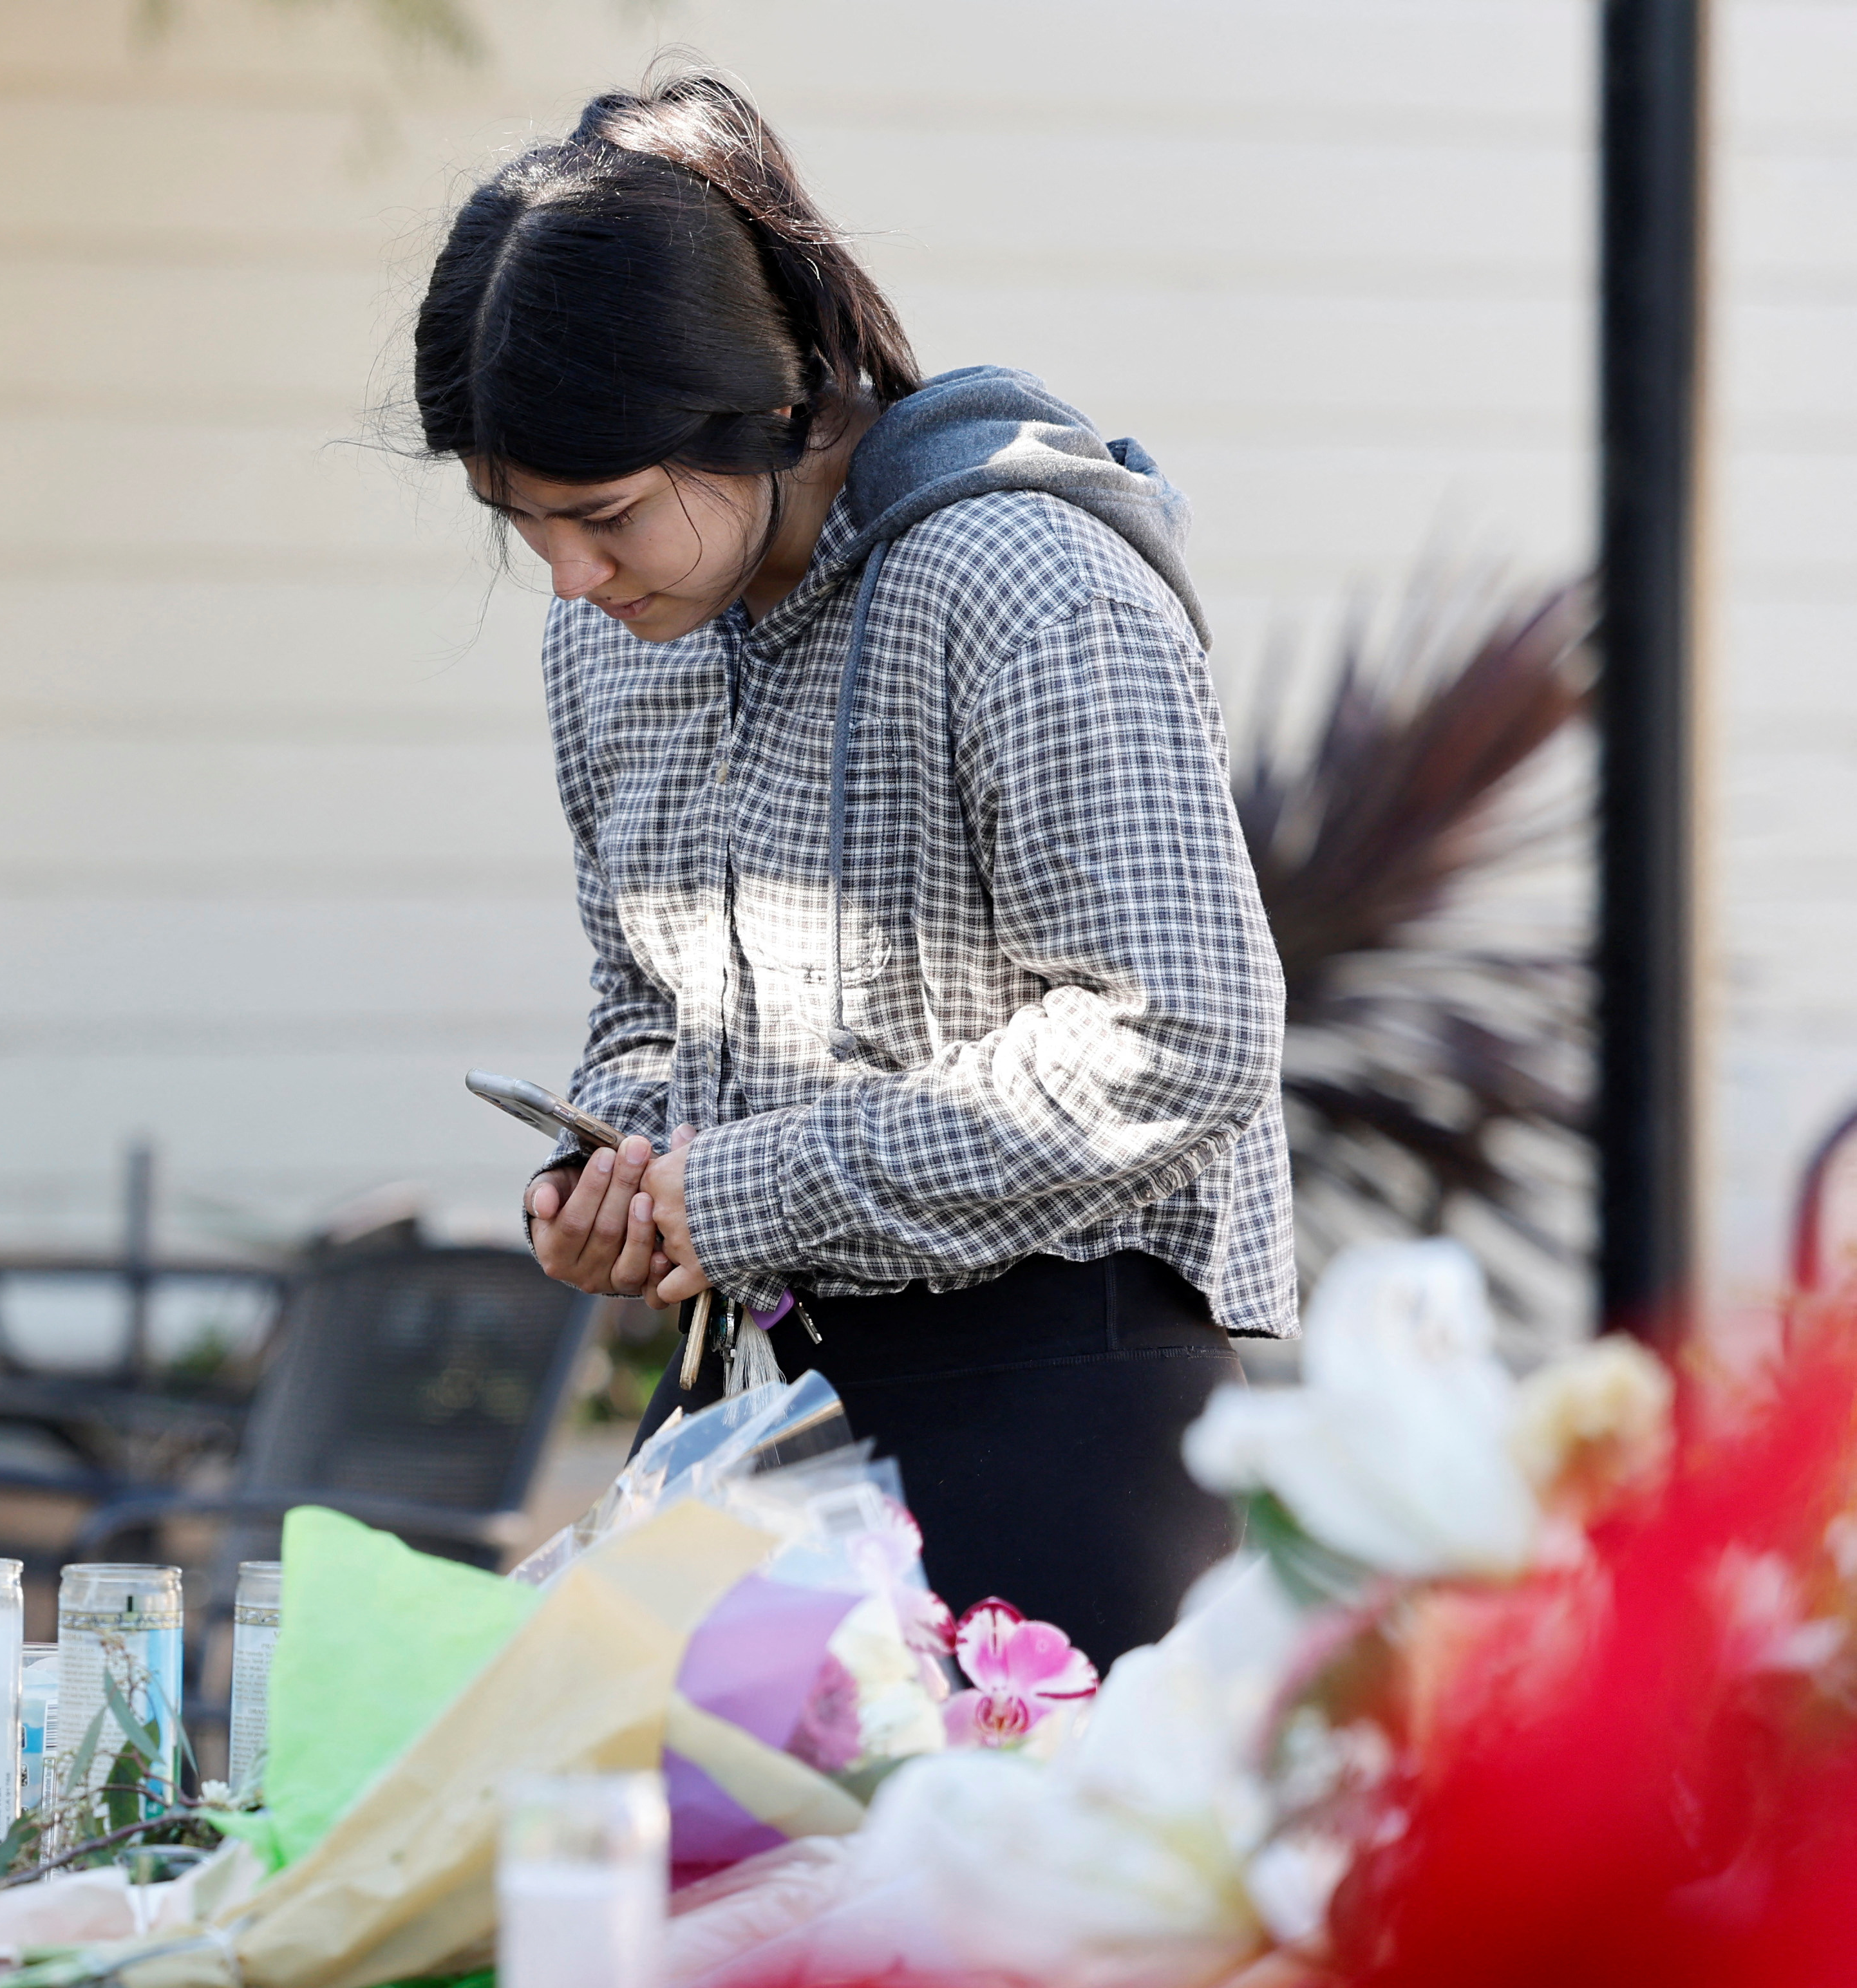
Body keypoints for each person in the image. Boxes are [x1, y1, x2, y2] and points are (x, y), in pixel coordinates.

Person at [416, 69, 1293, 1659]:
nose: (564, 578)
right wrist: (611, 1175)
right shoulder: (615, 644)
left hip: (1056, 1432)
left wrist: (742, 1188)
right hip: (740, 1429)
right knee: (667, 1906)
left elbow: (1185, 1030)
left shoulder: (1022, 576)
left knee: (1007, 1918)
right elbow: (641, 1002)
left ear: (760, 408)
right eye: (516, 521)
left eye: (600, 514)